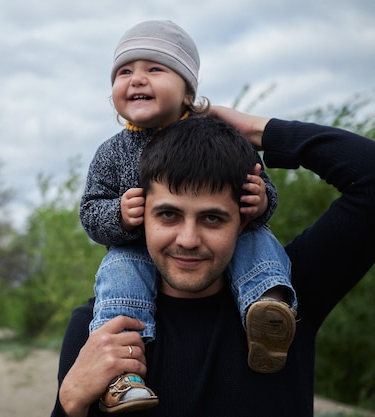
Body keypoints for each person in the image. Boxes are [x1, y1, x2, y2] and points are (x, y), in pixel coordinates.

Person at [52, 107, 375, 417]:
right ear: (142, 216)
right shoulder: (100, 327)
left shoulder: (287, 296)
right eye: (168, 215)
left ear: (243, 218)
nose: (188, 239)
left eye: (212, 218)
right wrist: (71, 403)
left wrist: (256, 130)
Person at [80, 20, 297, 412]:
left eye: (155, 69)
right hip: (136, 249)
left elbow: (262, 190)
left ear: (189, 93)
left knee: (258, 241)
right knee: (118, 275)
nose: (137, 79)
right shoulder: (111, 153)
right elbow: (90, 212)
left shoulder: (221, 140)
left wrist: (260, 202)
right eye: (125, 71)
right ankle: (120, 372)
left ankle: (268, 313)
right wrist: (119, 214)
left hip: (234, 244)